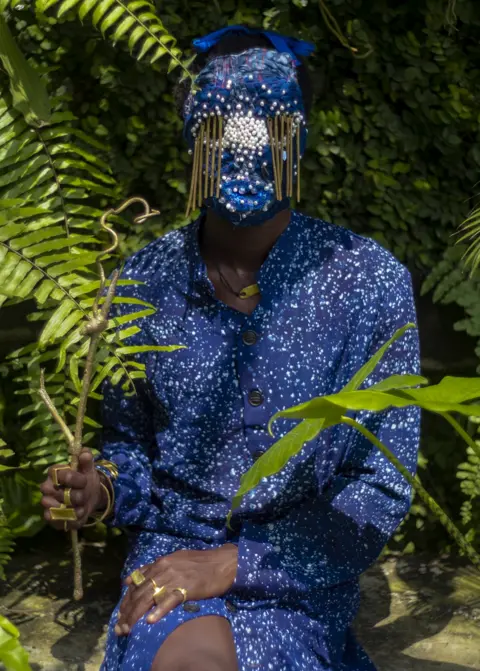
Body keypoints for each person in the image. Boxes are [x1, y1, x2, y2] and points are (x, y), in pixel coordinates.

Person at [40, 25, 420, 671]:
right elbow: (129, 445)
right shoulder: (144, 281)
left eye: (267, 122)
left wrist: (236, 563)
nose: (245, 143)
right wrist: (99, 488)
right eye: (221, 122)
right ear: (190, 132)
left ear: (298, 134)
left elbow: (378, 484)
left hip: (297, 587)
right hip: (166, 573)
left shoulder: (367, 280)